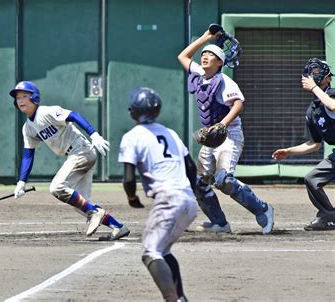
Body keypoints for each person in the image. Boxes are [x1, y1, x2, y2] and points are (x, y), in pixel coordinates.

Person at [177, 29, 274, 234]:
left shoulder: (224, 80)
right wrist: (204, 39)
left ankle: (262, 208)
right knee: (199, 183)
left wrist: (222, 124)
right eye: (204, 54)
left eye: (211, 54)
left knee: (223, 179)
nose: (205, 56)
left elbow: (238, 104)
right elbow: (183, 56)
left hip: (229, 134)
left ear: (220, 62)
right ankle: (220, 223)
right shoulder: (199, 75)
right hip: (212, 137)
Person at [10, 80, 130, 240]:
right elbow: (28, 154)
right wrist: (21, 182)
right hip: (76, 155)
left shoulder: (47, 112)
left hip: (81, 150)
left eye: (25, 96)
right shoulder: (28, 128)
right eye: (18, 98)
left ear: (35, 98)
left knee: (57, 187)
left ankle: (96, 213)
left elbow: (74, 115)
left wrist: (93, 134)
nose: (21, 101)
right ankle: (118, 227)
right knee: (81, 205)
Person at [118, 87, 197, 302]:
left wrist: (132, 198)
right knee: (164, 250)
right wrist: (193, 193)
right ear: (157, 110)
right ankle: (180, 297)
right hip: (188, 199)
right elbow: (191, 168)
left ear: (132, 112)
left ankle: (174, 300)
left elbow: (128, 179)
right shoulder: (170, 133)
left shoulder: (132, 136)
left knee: (150, 252)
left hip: (169, 199)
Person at [273, 58, 335, 231]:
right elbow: (314, 144)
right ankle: (329, 215)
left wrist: (315, 88)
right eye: (309, 72)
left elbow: (332, 105)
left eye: (316, 71)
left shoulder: (333, 94)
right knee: (312, 179)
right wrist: (288, 151)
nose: (311, 75)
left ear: (328, 78)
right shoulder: (312, 111)